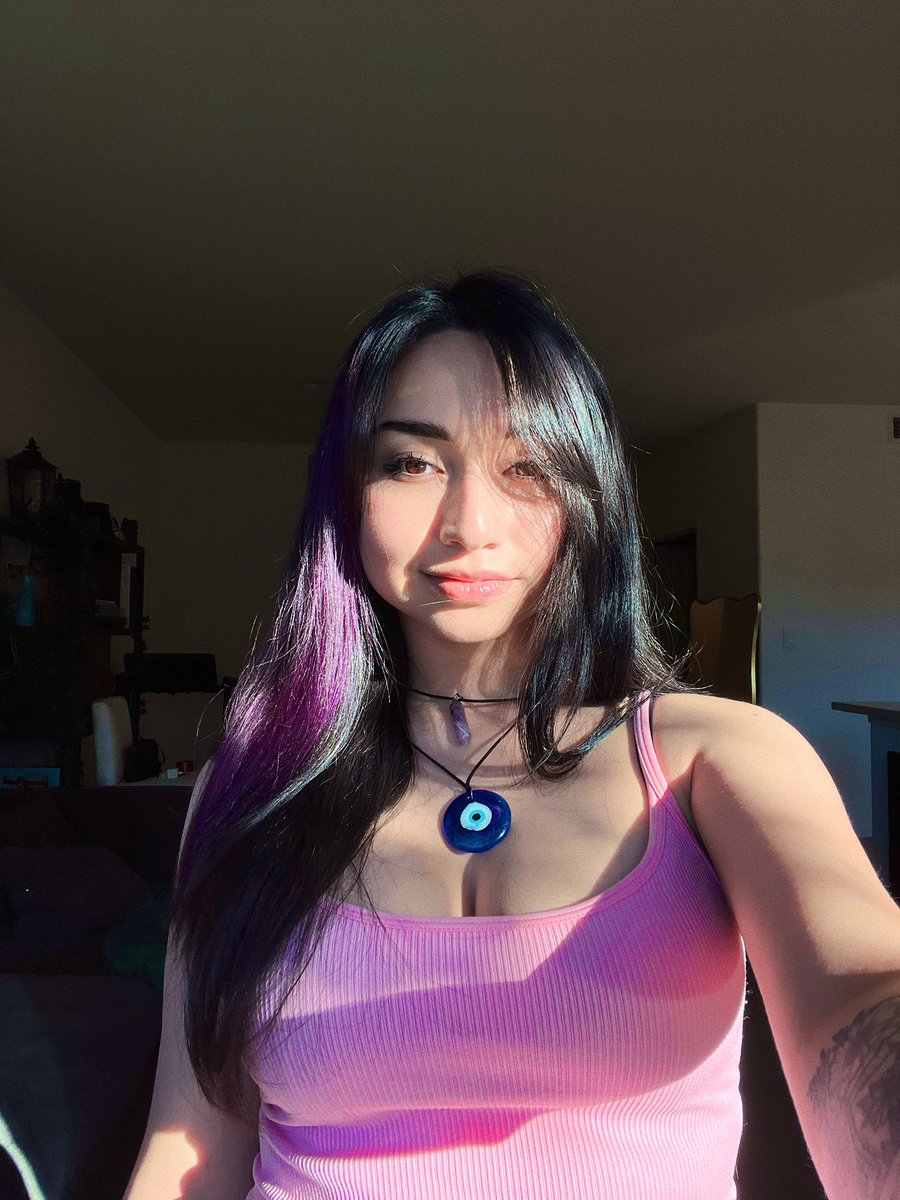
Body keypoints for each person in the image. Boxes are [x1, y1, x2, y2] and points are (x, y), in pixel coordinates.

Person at [124, 269, 900, 1200]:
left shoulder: (716, 757)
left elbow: (861, 986)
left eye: (527, 466)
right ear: (347, 489)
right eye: (412, 463)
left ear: (586, 494)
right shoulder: (255, 784)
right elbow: (192, 1142)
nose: (469, 526)